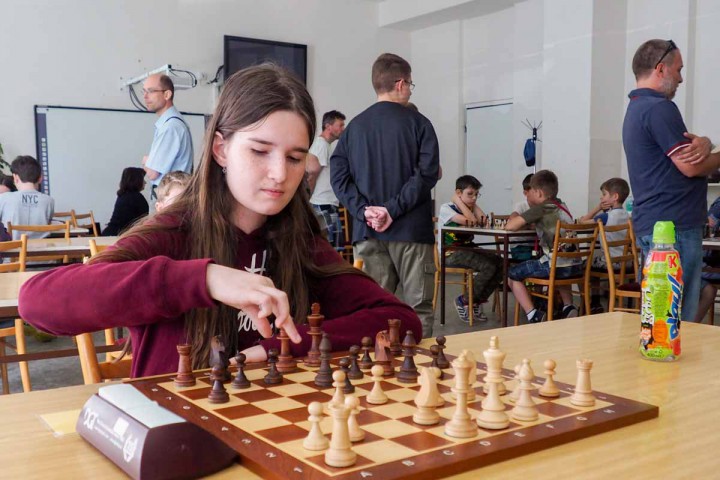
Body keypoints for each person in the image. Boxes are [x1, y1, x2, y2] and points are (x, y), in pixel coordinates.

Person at [19, 64, 421, 379]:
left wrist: (283, 346)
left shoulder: (297, 240)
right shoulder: (175, 231)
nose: (280, 174)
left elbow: (401, 321)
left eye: (295, 157)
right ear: (221, 149)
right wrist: (205, 279)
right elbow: (38, 303)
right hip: (176, 432)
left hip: (269, 433)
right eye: (260, 151)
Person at [331, 53, 439, 338]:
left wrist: (364, 210)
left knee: (372, 309)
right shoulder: (420, 124)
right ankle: (419, 363)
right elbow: (427, 174)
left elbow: (338, 178)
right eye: (410, 85)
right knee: (418, 308)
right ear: (400, 84)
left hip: (367, 231)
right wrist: (392, 209)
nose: (410, 90)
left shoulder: (353, 128)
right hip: (412, 233)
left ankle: (373, 363)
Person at [623, 39, 720, 323]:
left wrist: (706, 142)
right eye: (678, 70)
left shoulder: (638, 108)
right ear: (660, 69)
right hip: (673, 227)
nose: (681, 78)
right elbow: (691, 167)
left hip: (660, 224)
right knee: (672, 319)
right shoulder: (659, 108)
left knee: (665, 315)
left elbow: (690, 154)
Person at [505, 170, 582, 323]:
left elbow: (510, 226)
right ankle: (569, 307)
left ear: (539, 193)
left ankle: (532, 314)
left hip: (553, 266)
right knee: (560, 266)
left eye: (531, 191)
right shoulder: (562, 205)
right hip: (574, 265)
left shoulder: (541, 208)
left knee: (511, 274)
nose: (529, 196)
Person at [438, 175, 502, 322]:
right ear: (458, 193)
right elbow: (471, 222)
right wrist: (458, 202)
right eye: (470, 194)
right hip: (450, 253)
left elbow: (484, 222)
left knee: (501, 263)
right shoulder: (447, 208)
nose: (474, 198)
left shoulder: (470, 207)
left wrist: (472, 204)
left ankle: (475, 301)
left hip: (468, 250)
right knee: (488, 266)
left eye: (476, 194)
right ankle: (464, 301)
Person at [579, 177, 631, 313]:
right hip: (628, 262)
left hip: (611, 262)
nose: (601, 198)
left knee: (585, 264)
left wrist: (598, 208)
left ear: (615, 197)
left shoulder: (606, 217)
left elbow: (582, 222)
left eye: (604, 194)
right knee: (595, 261)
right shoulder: (628, 216)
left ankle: (593, 302)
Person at [141, 74, 194, 200]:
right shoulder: (169, 124)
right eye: (144, 91)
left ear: (167, 94)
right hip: (172, 196)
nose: (145, 96)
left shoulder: (171, 127)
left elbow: (153, 173)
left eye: (151, 91)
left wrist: (146, 160)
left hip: (170, 199)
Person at [305, 110, 346, 250]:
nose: (343, 128)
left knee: (334, 249)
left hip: (327, 203)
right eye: (340, 125)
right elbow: (312, 174)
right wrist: (307, 199)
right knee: (328, 249)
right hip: (322, 203)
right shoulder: (321, 144)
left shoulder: (326, 145)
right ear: (328, 126)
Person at [0, 155, 54, 239]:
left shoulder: (3, 198)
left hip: (14, 246)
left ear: (15, 177)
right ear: (40, 178)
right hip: (42, 246)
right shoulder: (49, 201)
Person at [694, 196, 720, 323]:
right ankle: (688, 326)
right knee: (709, 290)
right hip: (708, 264)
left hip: (706, 264)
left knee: (709, 290)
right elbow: (709, 225)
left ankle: (688, 326)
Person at [101, 167, 149, 236]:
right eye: (142, 179)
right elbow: (144, 220)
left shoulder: (123, 195)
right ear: (136, 181)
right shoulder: (137, 197)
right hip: (120, 235)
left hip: (111, 233)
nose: (145, 182)